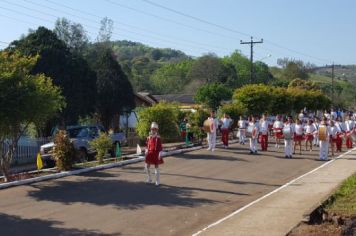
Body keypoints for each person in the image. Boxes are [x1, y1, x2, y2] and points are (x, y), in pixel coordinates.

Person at [144, 122, 163, 186]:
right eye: (152, 129)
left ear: (156, 130)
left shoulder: (158, 138)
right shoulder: (149, 137)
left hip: (156, 153)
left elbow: (160, 147)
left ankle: (157, 181)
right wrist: (146, 150)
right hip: (149, 153)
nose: (153, 130)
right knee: (147, 167)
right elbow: (147, 146)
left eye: (154, 129)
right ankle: (149, 178)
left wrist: (160, 153)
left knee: (156, 167)